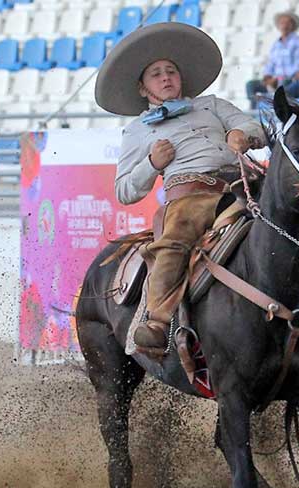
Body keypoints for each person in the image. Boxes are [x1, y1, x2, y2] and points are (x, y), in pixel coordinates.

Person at [94, 23, 265, 352]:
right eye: (156, 74)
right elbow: (124, 191)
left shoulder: (212, 104)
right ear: (143, 89)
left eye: (170, 70)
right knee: (175, 239)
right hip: (191, 197)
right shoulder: (137, 132)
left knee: (289, 222)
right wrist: (153, 164)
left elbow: (251, 124)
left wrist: (243, 135)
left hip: (243, 186)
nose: (166, 77)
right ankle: (157, 321)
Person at [245, 11, 299, 109]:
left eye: (287, 23)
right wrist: (267, 76)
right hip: (274, 80)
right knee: (251, 85)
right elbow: (271, 63)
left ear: (293, 25)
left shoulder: (297, 42)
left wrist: (278, 78)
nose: (284, 26)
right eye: (282, 23)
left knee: (285, 84)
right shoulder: (276, 44)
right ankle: (256, 111)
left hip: (288, 79)